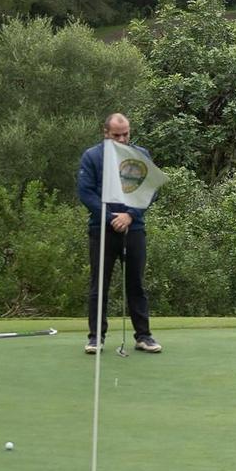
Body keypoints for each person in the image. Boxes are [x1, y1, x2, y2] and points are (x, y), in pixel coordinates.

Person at [75, 113, 160, 355]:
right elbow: (86, 193)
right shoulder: (92, 156)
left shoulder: (141, 154)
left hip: (133, 227)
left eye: (126, 134)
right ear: (105, 133)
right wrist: (111, 218)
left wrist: (130, 215)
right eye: (116, 135)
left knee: (136, 285)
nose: (122, 139)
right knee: (99, 285)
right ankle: (96, 338)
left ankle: (143, 336)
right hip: (101, 228)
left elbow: (150, 190)